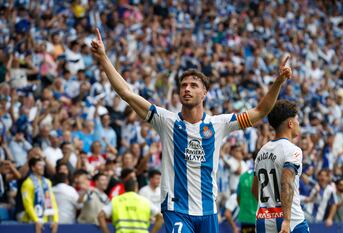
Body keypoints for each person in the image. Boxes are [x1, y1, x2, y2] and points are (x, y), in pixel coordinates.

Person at [91, 28, 292, 233]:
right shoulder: (165, 120)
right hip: (176, 209)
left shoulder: (219, 124)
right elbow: (127, 94)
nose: (187, 88)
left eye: (193, 85)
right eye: (184, 85)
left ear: (204, 93)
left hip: (208, 211)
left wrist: (278, 81)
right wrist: (104, 57)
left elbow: (260, 111)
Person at [252, 100, 309, 233]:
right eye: (297, 120)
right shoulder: (293, 150)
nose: (298, 123)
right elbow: (286, 183)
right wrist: (287, 220)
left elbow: (255, 189)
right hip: (290, 219)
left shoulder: (262, 151)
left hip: (263, 218)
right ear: (290, 123)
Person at [98, 179, 163, 233]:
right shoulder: (145, 201)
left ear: (124, 188)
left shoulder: (116, 200)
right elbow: (160, 217)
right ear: (136, 188)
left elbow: (100, 216)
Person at [20, 157, 58, 233]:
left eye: (43, 165)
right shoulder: (27, 183)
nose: (42, 167)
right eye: (39, 165)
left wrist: (55, 220)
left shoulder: (47, 182)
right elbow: (27, 204)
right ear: (33, 168)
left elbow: (52, 201)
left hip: (46, 221)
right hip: (31, 222)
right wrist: (36, 220)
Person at [237, 168, 257, 233]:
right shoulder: (259, 175)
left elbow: (238, 197)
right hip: (258, 216)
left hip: (245, 217)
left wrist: (243, 208)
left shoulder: (242, 177)